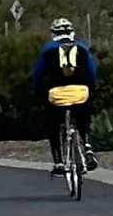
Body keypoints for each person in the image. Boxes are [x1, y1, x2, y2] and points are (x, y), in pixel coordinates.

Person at [31, 18, 98, 171]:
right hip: (80, 92)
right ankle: (88, 146)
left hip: (57, 95)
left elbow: (38, 74)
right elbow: (92, 70)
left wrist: (38, 90)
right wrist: (92, 86)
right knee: (83, 120)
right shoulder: (81, 47)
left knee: (53, 125)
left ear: (53, 34)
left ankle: (59, 161)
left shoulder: (47, 49)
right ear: (71, 32)